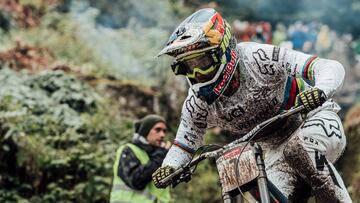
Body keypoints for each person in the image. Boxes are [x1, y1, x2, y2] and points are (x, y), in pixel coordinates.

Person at [152, 8, 352, 202]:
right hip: (275, 150)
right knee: (263, 195)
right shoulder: (198, 101)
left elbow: (328, 66)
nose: (196, 74)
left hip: (315, 118)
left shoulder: (257, 57)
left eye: (202, 62)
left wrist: (320, 90)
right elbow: (185, 141)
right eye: (188, 66)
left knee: (298, 149)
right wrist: (170, 167)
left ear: (223, 51)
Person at [110, 114, 171, 203]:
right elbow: (136, 181)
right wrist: (160, 156)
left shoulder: (159, 154)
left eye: (164, 131)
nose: (162, 135)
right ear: (145, 131)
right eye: (157, 130)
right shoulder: (128, 150)